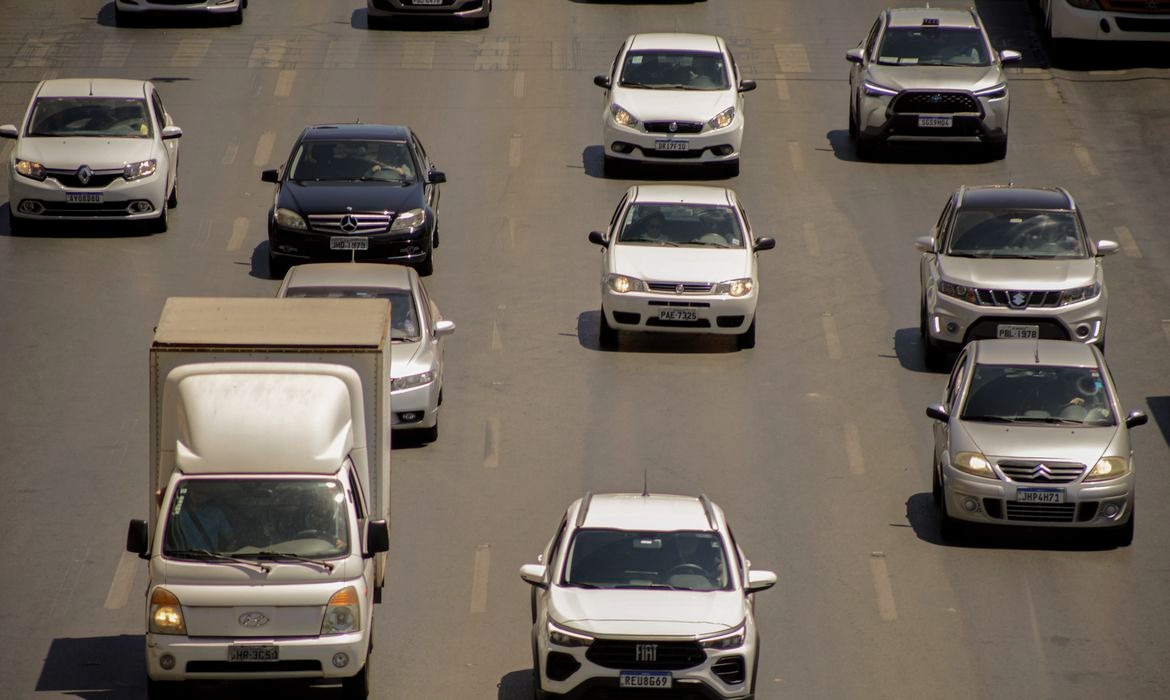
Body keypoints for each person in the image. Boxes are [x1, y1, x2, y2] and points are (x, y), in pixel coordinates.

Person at [168, 485, 235, 553]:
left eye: (201, 493)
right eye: (195, 492)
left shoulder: (216, 513)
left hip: (210, 557)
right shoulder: (178, 512)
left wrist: (226, 555)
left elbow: (230, 539)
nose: (197, 496)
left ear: (208, 496)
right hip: (182, 556)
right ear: (190, 492)